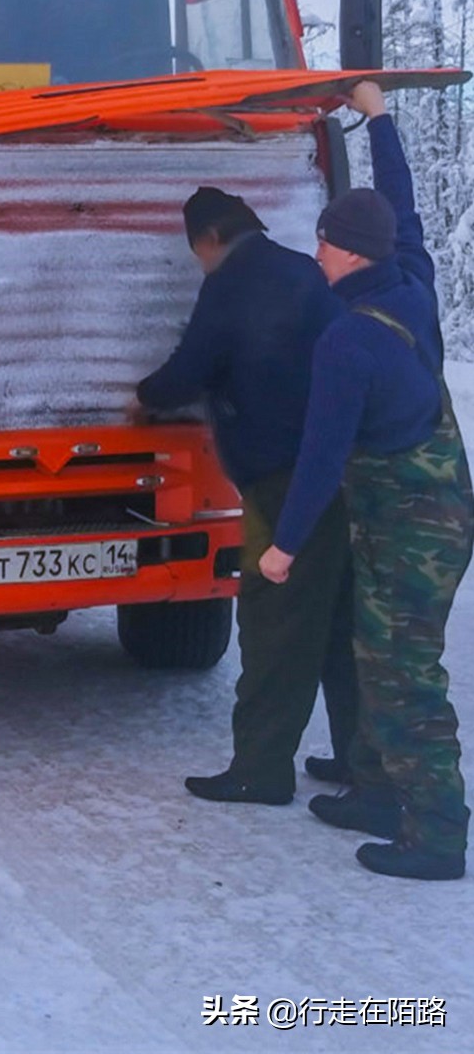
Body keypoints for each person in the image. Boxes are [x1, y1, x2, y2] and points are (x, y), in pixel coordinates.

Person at [260, 80, 474, 881]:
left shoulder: (348, 343)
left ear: (347, 252)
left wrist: (281, 548)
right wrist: (377, 117)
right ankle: (377, 791)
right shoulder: (409, 279)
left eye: (321, 242)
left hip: (410, 529)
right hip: (440, 504)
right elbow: (401, 200)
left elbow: (321, 457)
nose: (315, 253)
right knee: (371, 647)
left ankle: (437, 836)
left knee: (402, 671)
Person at [134, 185, 358, 805]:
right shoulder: (301, 272)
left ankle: (260, 770)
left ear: (208, 239)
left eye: (196, 252)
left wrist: (143, 398)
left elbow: (191, 367)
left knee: (274, 623)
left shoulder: (231, 281)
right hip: (337, 471)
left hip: (284, 481)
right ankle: (361, 762)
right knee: (339, 618)